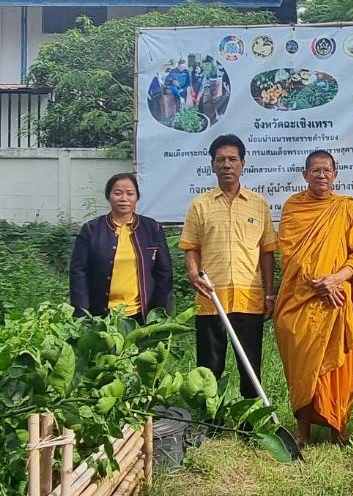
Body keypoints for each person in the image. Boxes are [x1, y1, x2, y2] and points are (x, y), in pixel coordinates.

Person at [274, 150, 353, 446]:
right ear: (305, 175)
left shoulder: (348, 208)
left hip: (338, 300)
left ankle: (337, 430)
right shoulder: (293, 207)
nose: (321, 175)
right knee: (303, 365)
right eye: (315, 170)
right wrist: (319, 283)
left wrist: (335, 279)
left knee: (340, 365)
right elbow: (291, 253)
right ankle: (302, 431)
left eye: (327, 170)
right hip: (301, 299)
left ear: (335, 174)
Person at [181, 135, 277, 400]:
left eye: (232, 159)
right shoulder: (200, 205)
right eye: (221, 159)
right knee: (210, 367)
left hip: (249, 298)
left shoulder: (259, 204)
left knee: (250, 366)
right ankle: (211, 421)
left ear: (242, 164)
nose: (227, 165)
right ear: (212, 165)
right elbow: (191, 247)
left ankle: (251, 419)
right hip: (211, 296)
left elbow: (267, 252)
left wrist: (270, 294)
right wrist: (192, 273)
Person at [69, 173, 173, 323]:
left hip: (141, 314)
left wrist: (162, 313)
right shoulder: (91, 230)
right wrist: (82, 314)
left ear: (137, 197)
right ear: (108, 196)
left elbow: (164, 273)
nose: (124, 198)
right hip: (101, 315)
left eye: (130, 193)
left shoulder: (152, 228)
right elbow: (78, 274)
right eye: (118, 193)